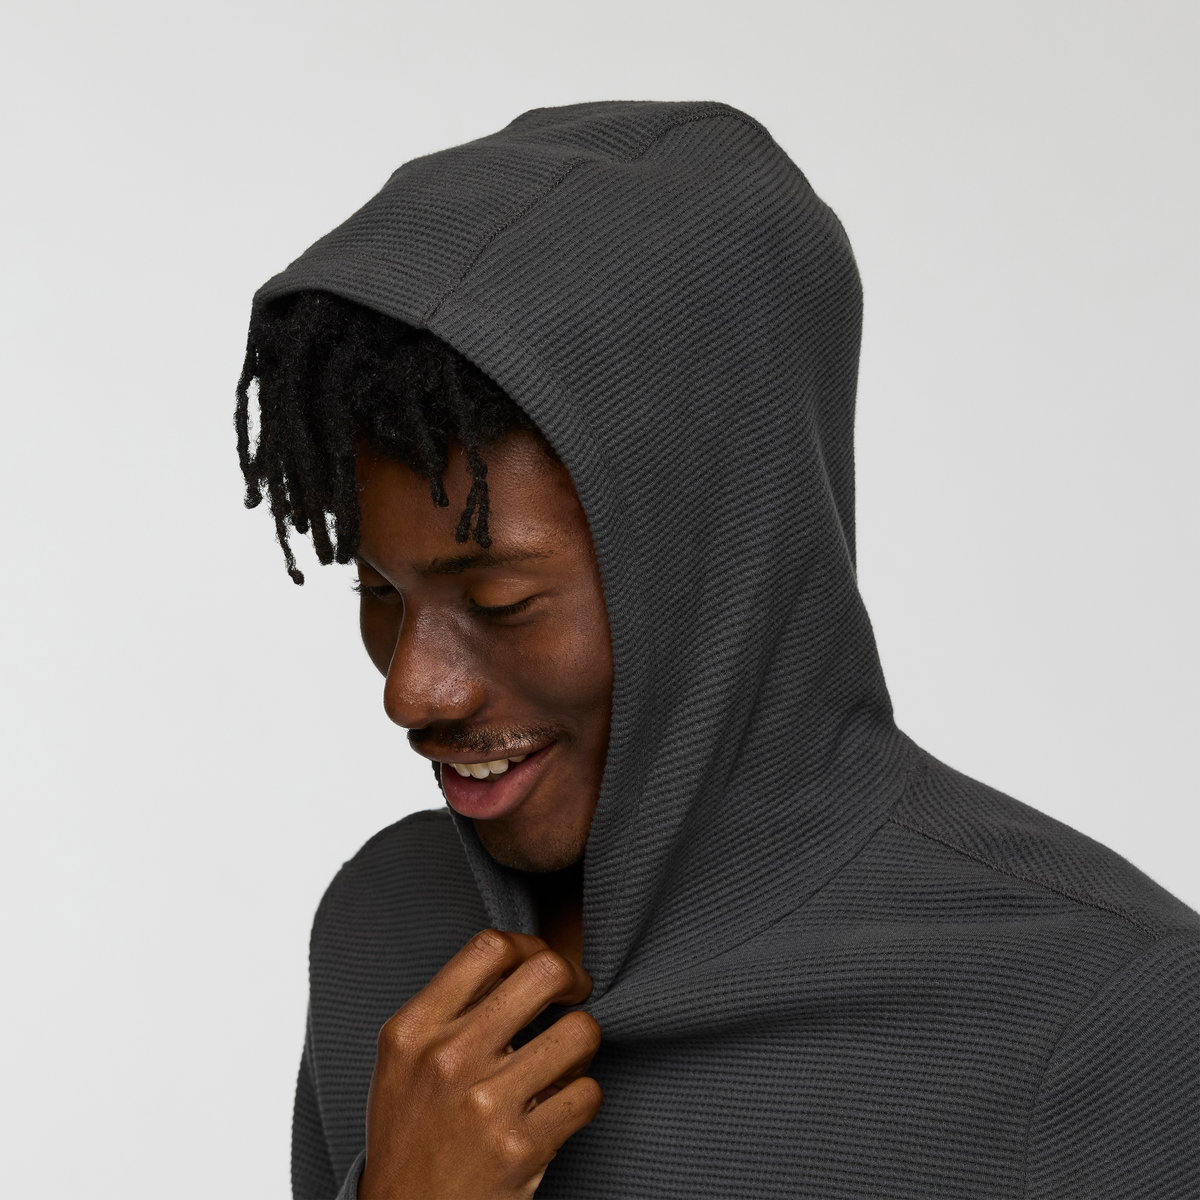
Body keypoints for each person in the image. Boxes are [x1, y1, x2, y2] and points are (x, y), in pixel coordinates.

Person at [236, 102, 1198, 1200]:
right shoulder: (388, 934)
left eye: (500, 601)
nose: (413, 691)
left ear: (719, 566)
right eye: (376, 589)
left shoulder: (1110, 1014)